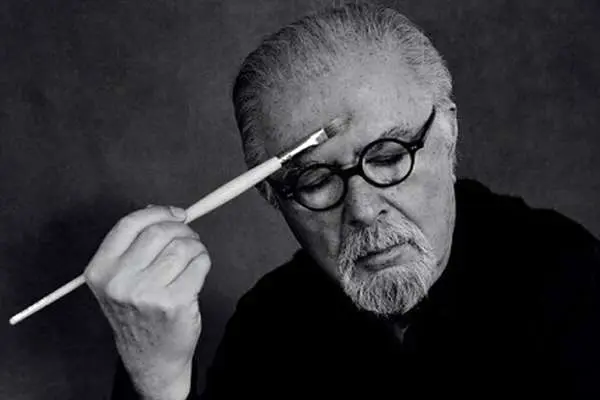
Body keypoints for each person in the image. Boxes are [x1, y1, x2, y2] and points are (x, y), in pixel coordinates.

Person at [84, 3, 600, 399]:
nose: (363, 209)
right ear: (271, 195)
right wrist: (157, 378)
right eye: (314, 181)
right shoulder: (269, 328)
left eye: (389, 157)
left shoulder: (568, 278)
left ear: (448, 133)